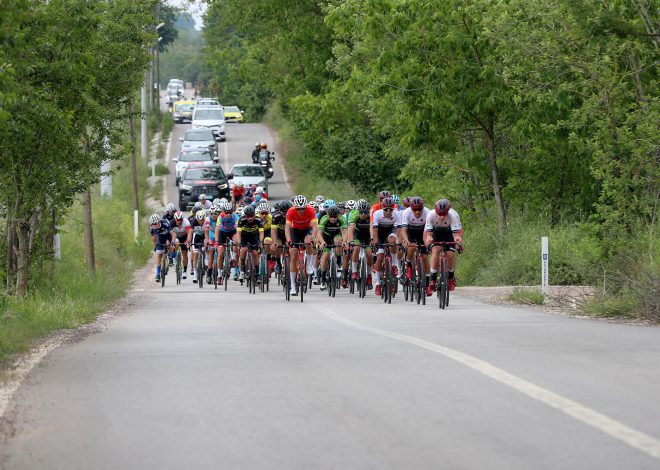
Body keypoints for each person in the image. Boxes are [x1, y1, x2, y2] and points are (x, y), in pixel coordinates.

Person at [423, 199, 463, 291]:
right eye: (439, 215)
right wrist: (429, 240)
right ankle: (432, 279)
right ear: (436, 211)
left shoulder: (453, 215)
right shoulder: (431, 215)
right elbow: (428, 234)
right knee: (436, 250)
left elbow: (456, 235)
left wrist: (458, 242)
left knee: (451, 254)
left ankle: (451, 277)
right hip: (436, 232)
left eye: (444, 215)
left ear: (448, 212)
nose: (441, 217)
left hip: (449, 232)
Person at [285, 195, 318, 296]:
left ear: (305, 207)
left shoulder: (310, 210)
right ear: (295, 207)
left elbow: (314, 227)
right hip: (294, 231)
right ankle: (293, 287)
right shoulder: (291, 211)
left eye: (302, 209)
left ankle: (309, 265)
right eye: (299, 209)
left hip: (306, 230)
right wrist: (288, 239)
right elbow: (287, 228)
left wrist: (312, 238)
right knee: (293, 255)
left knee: (308, 241)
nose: (301, 211)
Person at [400, 197, 432, 296]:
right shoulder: (407, 212)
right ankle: (408, 264)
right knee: (411, 247)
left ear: (423, 207)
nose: (417, 212)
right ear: (411, 208)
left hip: (423, 232)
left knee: (425, 257)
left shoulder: (427, 212)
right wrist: (406, 241)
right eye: (415, 210)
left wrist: (428, 242)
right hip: (411, 232)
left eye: (419, 209)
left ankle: (427, 284)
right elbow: (403, 230)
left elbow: (430, 231)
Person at [371, 197, 402, 297]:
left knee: (393, 242)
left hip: (390, 231)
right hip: (379, 233)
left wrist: (400, 242)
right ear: (382, 209)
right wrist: (375, 243)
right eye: (386, 210)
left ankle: (393, 264)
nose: (388, 212)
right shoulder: (377, 214)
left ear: (393, 209)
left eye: (390, 209)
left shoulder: (397, 214)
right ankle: (378, 284)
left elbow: (399, 230)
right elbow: (375, 230)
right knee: (379, 257)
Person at [316, 205, 348, 290]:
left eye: (335, 216)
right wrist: (322, 242)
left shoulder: (342, 219)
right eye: (331, 216)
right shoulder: (324, 219)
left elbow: (345, 232)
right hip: (326, 237)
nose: (333, 218)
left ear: (338, 215)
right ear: (328, 215)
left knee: (338, 242)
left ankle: (338, 263)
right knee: (325, 255)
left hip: (336, 235)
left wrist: (344, 242)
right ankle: (323, 279)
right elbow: (319, 233)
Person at [346, 199, 373, 288]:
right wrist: (350, 241)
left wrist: (373, 240)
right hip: (357, 235)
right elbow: (350, 230)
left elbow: (373, 230)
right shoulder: (355, 215)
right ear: (359, 211)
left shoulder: (371, 216)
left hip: (367, 235)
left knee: (369, 254)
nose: (363, 214)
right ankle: (354, 271)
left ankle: (369, 275)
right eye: (361, 212)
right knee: (356, 248)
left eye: (365, 212)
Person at [213, 201, 239, 284]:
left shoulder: (235, 216)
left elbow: (238, 230)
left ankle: (234, 258)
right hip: (222, 233)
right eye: (226, 212)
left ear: (232, 212)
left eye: (230, 212)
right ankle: (219, 275)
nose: (228, 214)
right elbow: (217, 229)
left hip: (232, 232)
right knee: (220, 253)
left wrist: (238, 241)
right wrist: (216, 241)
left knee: (236, 241)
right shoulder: (220, 216)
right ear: (223, 212)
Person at [237, 205, 264, 280]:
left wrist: (261, 242)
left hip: (254, 236)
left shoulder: (258, 220)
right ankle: (242, 270)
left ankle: (257, 273)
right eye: (248, 216)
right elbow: (238, 233)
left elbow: (261, 233)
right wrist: (239, 242)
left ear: (254, 215)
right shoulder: (241, 220)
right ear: (245, 216)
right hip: (244, 236)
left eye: (252, 216)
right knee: (244, 250)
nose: (250, 218)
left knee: (255, 253)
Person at [149, 214, 177, 282]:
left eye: (155, 223)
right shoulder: (152, 228)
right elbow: (154, 240)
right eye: (152, 224)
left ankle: (171, 257)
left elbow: (173, 234)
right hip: (160, 238)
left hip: (168, 236)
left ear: (159, 222)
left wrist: (172, 242)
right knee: (159, 254)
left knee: (171, 245)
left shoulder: (164, 222)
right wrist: (155, 234)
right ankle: (158, 274)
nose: (154, 225)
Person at [187, 210, 209, 283]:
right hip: (197, 236)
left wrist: (207, 241)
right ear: (196, 218)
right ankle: (195, 274)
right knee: (195, 254)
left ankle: (205, 261)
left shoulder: (207, 221)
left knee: (206, 248)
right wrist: (189, 241)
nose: (200, 221)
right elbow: (190, 232)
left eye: (202, 219)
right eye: (199, 220)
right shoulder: (194, 221)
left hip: (204, 235)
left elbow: (206, 234)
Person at [171, 211, 191, 279]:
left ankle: (185, 272)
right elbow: (170, 234)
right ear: (175, 219)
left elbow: (189, 234)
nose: (179, 222)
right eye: (177, 220)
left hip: (184, 236)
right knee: (175, 243)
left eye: (180, 220)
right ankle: (175, 257)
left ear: (182, 219)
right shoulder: (172, 223)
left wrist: (187, 241)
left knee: (184, 253)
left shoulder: (186, 222)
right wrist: (171, 242)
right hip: (175, 236)